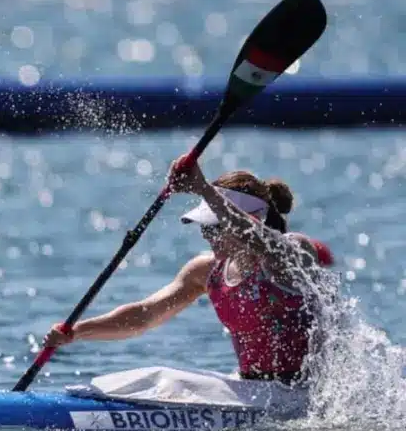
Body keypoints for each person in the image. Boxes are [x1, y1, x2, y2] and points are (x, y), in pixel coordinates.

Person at [44, 155, 335, 385]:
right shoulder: (206, 270)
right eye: (204, 226)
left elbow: (255, 237)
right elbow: (145, 315)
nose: (207, 236)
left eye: (215, 226)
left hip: (308, 393)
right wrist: (78, 332)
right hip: (254, 390)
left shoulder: (292, 254)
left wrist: (204, 189)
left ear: (253, 218)